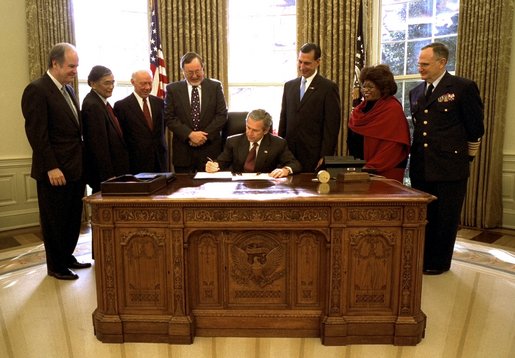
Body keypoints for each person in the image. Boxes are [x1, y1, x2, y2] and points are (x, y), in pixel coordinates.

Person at [409, 42, 485, 275]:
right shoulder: (417, 92)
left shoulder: (462, 88)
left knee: (445, 218)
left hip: (450, 167)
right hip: (422, 166)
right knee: (426, 217)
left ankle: (439, 263)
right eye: (419, 63)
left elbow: (475, 129)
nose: (420, 68)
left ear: (442, 63)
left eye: (425, 64)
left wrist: (465, 159)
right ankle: (423, 258)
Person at [21, 42, 91, 280]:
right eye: (71, 66)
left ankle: (67, 256)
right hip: (55, 170)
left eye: (76, 66)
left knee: (72, 217)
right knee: (55, 220)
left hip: (74, 168)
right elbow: (37, 134)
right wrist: (52, 166)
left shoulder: (68, 89)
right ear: (55, 63)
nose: (75, 71)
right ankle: (56, 266)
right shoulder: (37, 90)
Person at [278, 43, 341, 172]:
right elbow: (283, 120)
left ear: (318, 62)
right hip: (290, 155)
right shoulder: (289, 86)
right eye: (300, 62)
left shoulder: (328, 88)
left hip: (313, 155)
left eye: (307, 63)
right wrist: (280, 149)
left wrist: (325, 156)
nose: (302, 67)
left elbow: (331, 127)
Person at [165, 52, 228, 173]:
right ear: (182, 71)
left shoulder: (215, 87)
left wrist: (204, 136)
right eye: (190, 72)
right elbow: (169, 118)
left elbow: (221, 115)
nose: (194, 76)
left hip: (210, 151)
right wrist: (190, 134)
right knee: (182, 189)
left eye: (198, 71)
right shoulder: (172, 89)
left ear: (203, 68)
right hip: (183, 153)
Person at [348, 64, 410, 182]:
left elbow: (394, 148)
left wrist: (370, 167)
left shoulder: (392, 109)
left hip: (384, 172)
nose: (365, 90)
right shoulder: (359, 110)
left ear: (382, 88)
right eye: (364, 86)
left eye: (370, 87)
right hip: (360, 171)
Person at [206, 109, 301, 177]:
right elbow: (222, 162)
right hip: (239, 187)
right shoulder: (233, 141)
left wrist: (285, 170)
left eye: (255, 130)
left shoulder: (278, 143)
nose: (249, 133)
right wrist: (214, 165)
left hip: (265, 188)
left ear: (266, 130)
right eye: (248, 127)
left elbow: (295, 164)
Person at [82, 65, 129, 192]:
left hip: (116, 171)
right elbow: (98, 145)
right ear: (93, 84)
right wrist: (108, 175)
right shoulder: (93, 105)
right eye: (107, 83)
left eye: (113, 82)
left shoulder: (103, 103)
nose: (111, 86)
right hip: (106, 176)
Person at [114, 69, 168, 174]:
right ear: (133, 82)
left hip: (160, 160)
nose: (147, 87)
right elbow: (121, 137)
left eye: (149, 83)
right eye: (143, 84)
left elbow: (162, 129)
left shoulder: (160, 103)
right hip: (136, 163)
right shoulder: (122, 106)